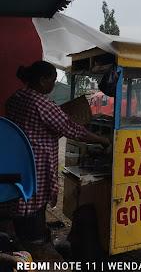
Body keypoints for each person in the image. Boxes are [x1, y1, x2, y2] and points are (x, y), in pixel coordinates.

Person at [5, 61, 110, 243]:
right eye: (52, 80)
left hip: (17, 161)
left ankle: (25, 234)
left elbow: (34, 125)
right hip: (36, 163)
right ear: (42, 80)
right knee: (35, 203)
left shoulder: (16, 97)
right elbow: (72, 129)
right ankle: (35, 240)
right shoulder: (40, 103)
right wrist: (102, 139)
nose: (53, 85)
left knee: (21, 198)